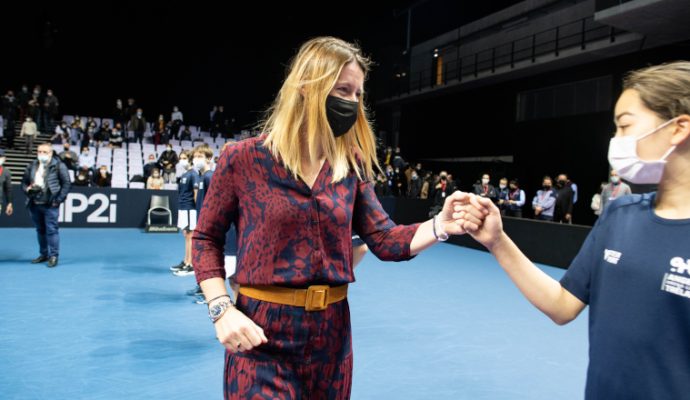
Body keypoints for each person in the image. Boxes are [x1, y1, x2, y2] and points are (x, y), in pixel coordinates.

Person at [191, 37, 476, 399]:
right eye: (343, 90)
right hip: (260, 335)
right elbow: (205, 239)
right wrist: (221, 310)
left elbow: (386, 240)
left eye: (358, 94)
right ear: (308, 88)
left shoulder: (351, 166)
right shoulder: (243, 159)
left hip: (333, 338)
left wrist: (441, 226)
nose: (353, 103)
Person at [456, 61, 690, 399]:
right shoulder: (619, 215)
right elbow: (562, 305)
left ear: (679, 128)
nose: (616, 141)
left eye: (625, 126)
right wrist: (496, 240)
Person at [22, 143, 71, 267]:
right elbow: (24, 182)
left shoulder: (59, 165)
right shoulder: (32, 165)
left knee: (52, 230)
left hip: (50, 204)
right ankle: (44, 254)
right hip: (34, 203)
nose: (41, 154)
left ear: (50, 153)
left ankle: (54, 256)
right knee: (40, 230)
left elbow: (66, 184)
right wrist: (27, 190)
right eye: (39, 151)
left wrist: (58, 199)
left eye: (44, 152)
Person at [170, 151, 198, 274]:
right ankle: (186, 260)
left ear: (190, 159)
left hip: (190, 208)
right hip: (183, 207)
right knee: (185, 235)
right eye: (180, 158)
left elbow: (196, 192)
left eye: (185, 158)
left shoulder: (193, 174)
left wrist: (196, 209)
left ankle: (190, 263)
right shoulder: (185, 174)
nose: (182, 160)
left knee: (190, 236)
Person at [0, 149, 13, 217]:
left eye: (0, 156)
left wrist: (9, 203)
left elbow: (8, 189)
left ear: (4, 159)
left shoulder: (6, 172)